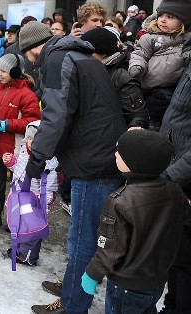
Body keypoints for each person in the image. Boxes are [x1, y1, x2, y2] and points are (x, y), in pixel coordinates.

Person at [17, 21, 126, 314]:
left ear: (32, 49)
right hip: (102, 153)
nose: (29, 62)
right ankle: (73, 285)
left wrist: (36, 158)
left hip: (93, 160)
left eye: (27, 55)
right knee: (85, 234)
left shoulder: (56, 59)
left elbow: (57, 114)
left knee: (83, 237)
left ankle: (72, 304)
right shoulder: (79, 55)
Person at [80, 129, 186, 313]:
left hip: (126, 286)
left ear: (135, 163)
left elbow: (109, 249)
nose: (115, 154)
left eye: (120, 152)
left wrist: (92, 274)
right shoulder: (174, 191)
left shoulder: (120, 201)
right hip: (156, 281)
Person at [0, 53, 41, 229]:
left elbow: (31, 122)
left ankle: (16, 218)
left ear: (15, 70)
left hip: (16, 150)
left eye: (3, 71)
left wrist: (5, 125)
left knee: (18, 187)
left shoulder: (27, 95)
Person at [128, 0, 191, 130]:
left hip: (174, 89)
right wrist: (137, 66)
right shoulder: (150, 37)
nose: (162, 20)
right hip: (150, 87)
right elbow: (140, 53)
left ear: (184, 21)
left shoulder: (186, 40)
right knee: (153, 121)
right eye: (161, 15)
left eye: (169, 17)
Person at [2, 120, 59, 266]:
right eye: (29, 138)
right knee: (20, 225)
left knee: (31, 229)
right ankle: (19, 249)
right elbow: (19, 170)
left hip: (35, 201)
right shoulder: (23, 153)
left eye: (35, 140)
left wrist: (44, 204)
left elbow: (50, 185)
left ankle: (27, 256)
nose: (30, 142)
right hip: (19, 197)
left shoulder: (49, 162)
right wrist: (11, 163)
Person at [158, 62, 191, 314]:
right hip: (176, 171)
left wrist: (171, 175)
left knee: (184, 263)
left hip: (183, 178)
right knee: (176, 256)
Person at [81, 28, 149, 129]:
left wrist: (135, 126)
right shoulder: (89, 70)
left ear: (103, 53)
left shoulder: (121, 77)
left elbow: (136, 114)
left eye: (88, 53)